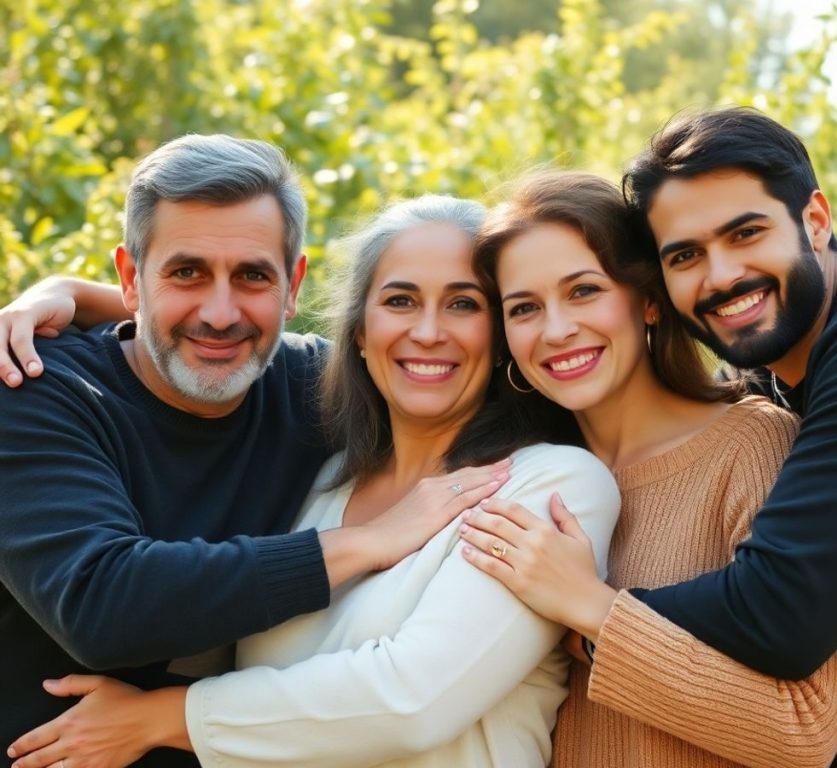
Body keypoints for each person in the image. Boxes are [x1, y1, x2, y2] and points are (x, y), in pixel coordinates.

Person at [484, 108, 837, 767]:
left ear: (816, 222)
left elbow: (781, 614)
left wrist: (586, 608)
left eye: (745, 233)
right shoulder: (780, 381)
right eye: (685, 255)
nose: (720, 275)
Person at [7, 195, 621, 768]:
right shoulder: (323, 473)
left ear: (505, 330)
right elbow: (218, 325)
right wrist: (68, 295)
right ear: (358, 329)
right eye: (400, 301)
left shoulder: (547, 484)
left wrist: (160, 718)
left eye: (464, 303)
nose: (428, 331)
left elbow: (412, 700)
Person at [459, 170, 837, 767]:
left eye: (584, 290)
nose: (557, 330)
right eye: (524, 308)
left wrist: (588, 608)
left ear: (646, 298)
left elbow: (804, 731)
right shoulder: (519, 478)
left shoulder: (753, 444)